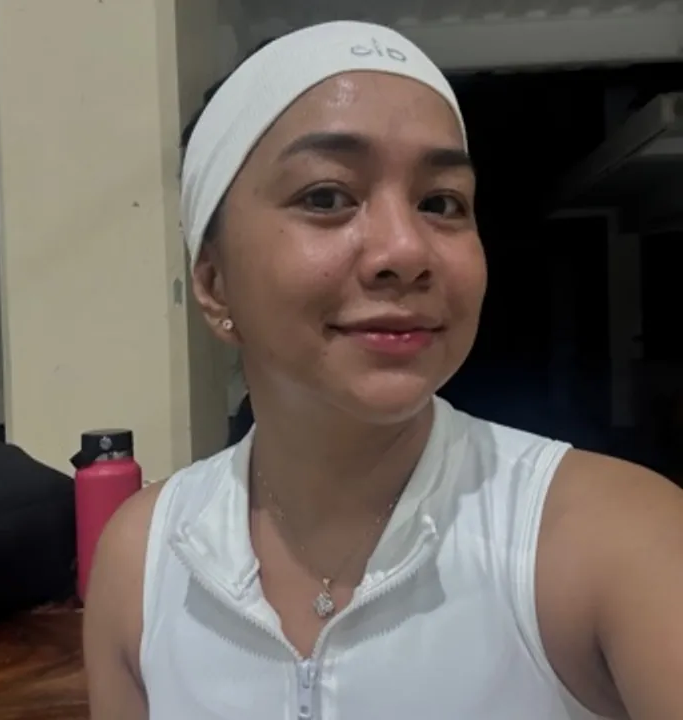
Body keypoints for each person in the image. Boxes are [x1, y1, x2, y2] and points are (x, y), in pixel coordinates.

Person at [83, 21, 683, 720]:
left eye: (441, 203)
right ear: (215, 285)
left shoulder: (616, 540)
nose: (406, 251)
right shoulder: (146, 561)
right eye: (326, 197)